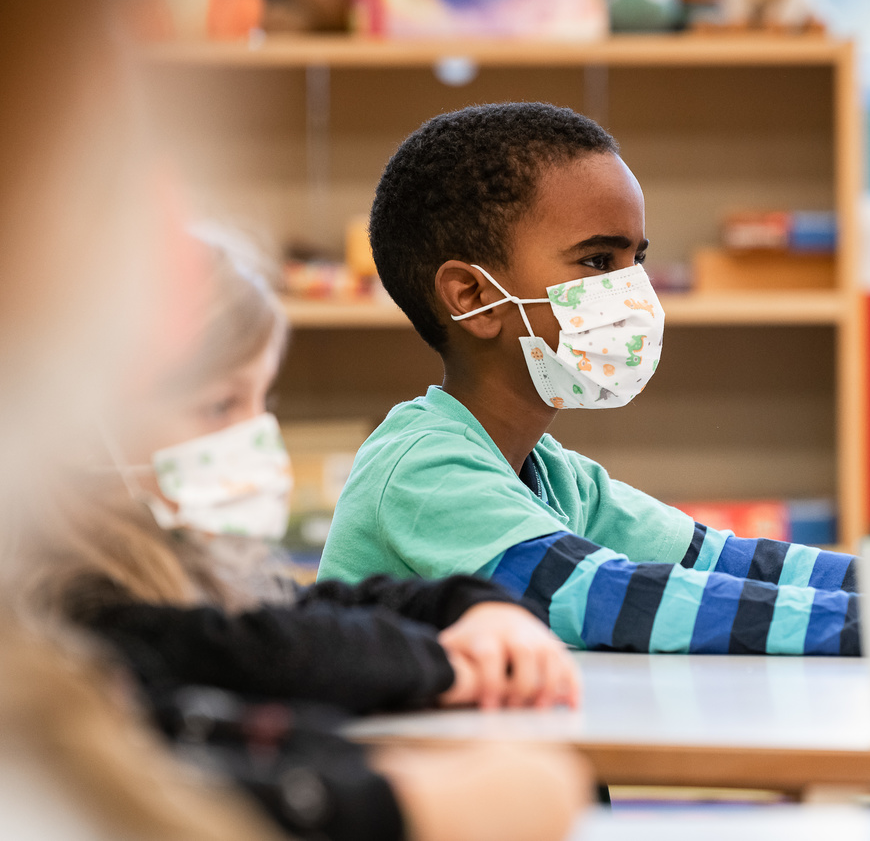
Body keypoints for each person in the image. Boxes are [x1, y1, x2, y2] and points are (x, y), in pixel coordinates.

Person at [16, 226, 590, 841]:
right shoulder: (68, 607)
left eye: (261, 401)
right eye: (219, 406)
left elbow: (307, 606)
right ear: (71, 432)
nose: (255, 434)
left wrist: (468, 608)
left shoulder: (179, 564)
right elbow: (260, 649)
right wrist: (447, 663)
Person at [320, 102, 860, 656]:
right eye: (599, 262)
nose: (635, 294)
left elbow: (728, 562)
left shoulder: (557, 477)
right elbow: (607, 600)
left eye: (637, 260)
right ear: (474, 298)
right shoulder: (420, 470)